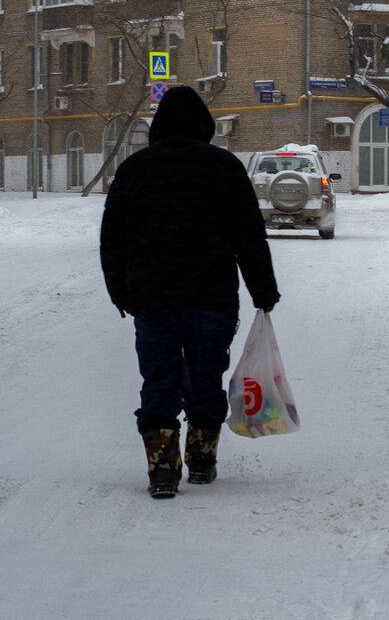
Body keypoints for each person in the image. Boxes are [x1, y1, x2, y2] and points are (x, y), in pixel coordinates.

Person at [99, 86, 280, 499]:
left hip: (152, 295)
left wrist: (119, 290)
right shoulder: (224, 167)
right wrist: (262, 289)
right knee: (205, 374)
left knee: (159, 375)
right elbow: (249, 235)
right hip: (211, 295)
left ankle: (162, 470)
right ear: (205, 125)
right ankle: (201, 460)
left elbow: (113, 238)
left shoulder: (135, 169)